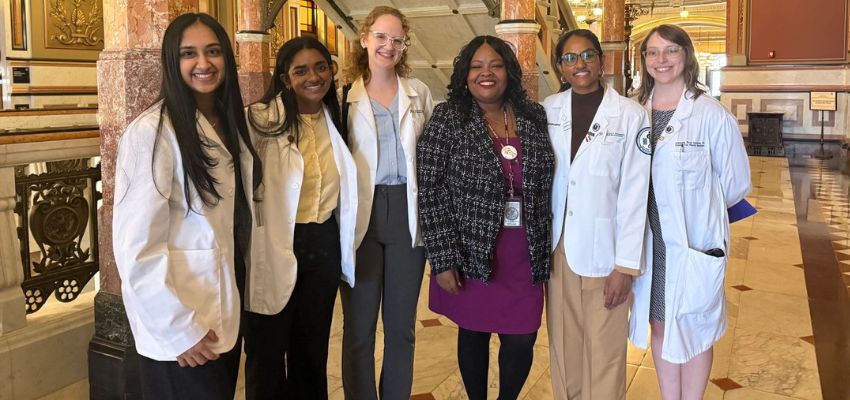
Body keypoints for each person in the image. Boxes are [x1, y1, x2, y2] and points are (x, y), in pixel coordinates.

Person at [112, 13, 261, 400]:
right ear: (171, 62)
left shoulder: (229, 123)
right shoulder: (151, 133)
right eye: (189, 54)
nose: (203, 63)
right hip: (181, 326)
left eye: (213, 51)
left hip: (219, 309)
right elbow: (135, 249)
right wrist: (177, 328)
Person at [417, 35, 554, 400]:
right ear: (465, 75)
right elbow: (430, 190)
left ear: (508, 72)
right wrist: (443, 258)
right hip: (471, 249)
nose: (486, 73)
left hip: (525, 249)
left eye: (495, 65)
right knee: (473, 331)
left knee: (523, 336)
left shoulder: (533, 115)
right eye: (476, 66)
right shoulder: (448, 118)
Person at [629, 24, 751, 400]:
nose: (661, 60)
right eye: (652, 52)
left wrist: (700, 216)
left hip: (692, 242)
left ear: (686, 56)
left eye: (670, 51)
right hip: (650, 243)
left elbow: (736, 183)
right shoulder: (635, 112)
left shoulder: (709, 114)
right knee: (660, 325)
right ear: (644, 60)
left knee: (695, 329)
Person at [243, 36, 357, 399]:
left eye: (321, 67)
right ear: (284, 76)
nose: (314, 76)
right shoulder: (260, 120)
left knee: (312, 349)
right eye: (301, 70)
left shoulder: (336, 117)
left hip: (322, 244)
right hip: (276, 242)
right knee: (268, 351)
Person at [543, 28, 651, 400]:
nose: (580, 64)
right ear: (560, 67)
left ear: (601, 60)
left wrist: (625, 266)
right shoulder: (548, 111)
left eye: (587, 55)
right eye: (570, 58)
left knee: (605, 352)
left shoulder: (631, 116)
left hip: (607, 251)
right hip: (557, 249)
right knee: (563, 347)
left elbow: (636, 196)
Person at [340, 6, 434, 399]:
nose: (388, 46)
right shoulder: (344, 96)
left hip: (406, 213)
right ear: (364, 38)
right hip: (361, 214)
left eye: (396, 40)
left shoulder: (419, 93)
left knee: (401, 328)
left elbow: (429, 156)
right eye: (381, 37)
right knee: (359, 329)